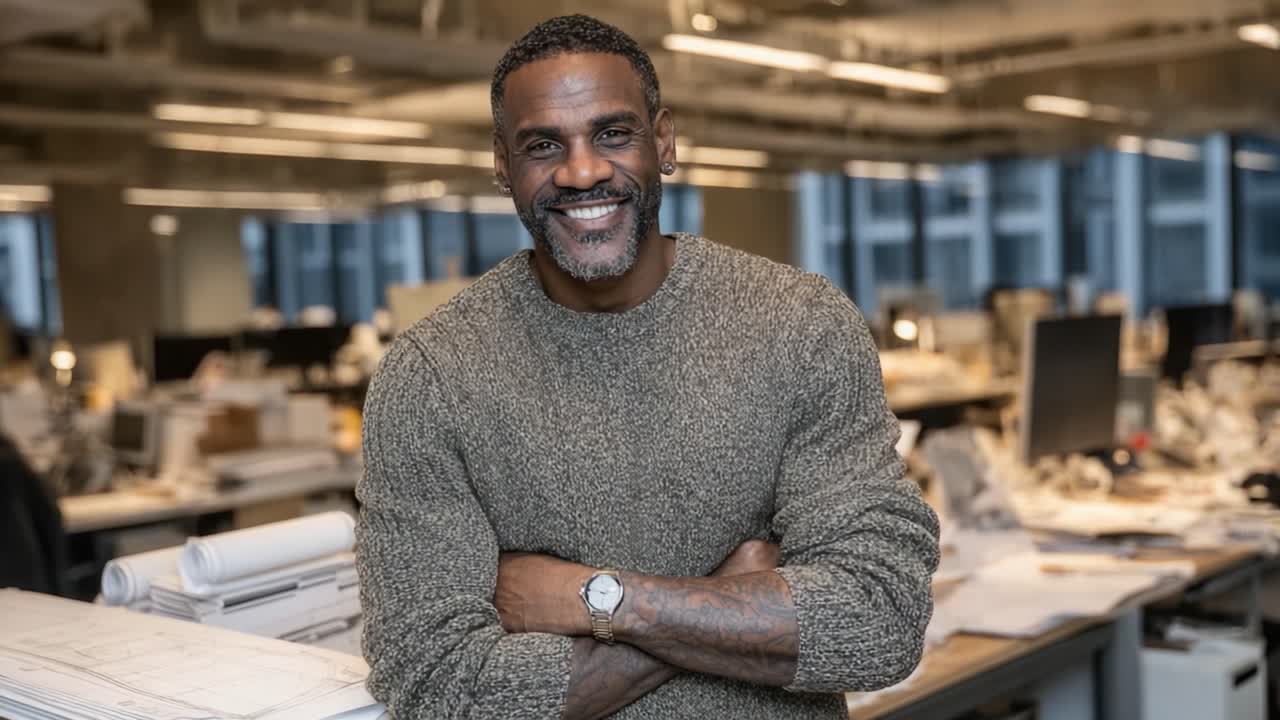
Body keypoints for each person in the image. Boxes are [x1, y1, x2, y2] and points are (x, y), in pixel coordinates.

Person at [355, 14, 939, 720]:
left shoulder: (801, 326)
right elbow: (436, 682)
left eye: (613, 133)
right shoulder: (429, 379)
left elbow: (878, 620)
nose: (582, 171)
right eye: (544, 145)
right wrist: (728, 595)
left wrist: (599, 598)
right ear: (503, 166)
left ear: (663, 141)